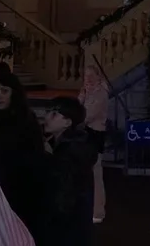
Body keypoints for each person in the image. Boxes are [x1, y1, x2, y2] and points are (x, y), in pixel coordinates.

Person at [0, 70, 46, 239]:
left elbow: (35, 156)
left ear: (14, 93)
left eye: (4, 91)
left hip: (19, 190)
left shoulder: (26, 121)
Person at [42, 97, 98, 246]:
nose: (47, 117)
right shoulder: (69, 146)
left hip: (67, 229)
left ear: (68, 122)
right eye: (48, 112)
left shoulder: (71, 152)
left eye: (54, 114)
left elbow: (62, 195)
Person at [78, 64, 109, 224]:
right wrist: (82, 95)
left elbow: (86, 116)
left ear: (98, 77)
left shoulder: (101, 94)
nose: (88, 79)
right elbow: (78, 110)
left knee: (96, 174)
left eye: (91, 76)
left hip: (94, 137)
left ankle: (98, 211)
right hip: (86, 137)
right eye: (85, 76)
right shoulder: (87, 93)